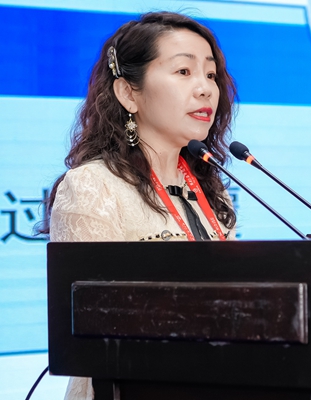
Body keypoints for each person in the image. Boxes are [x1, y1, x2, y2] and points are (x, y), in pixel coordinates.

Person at [41, 11, 238, 399]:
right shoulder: (93, 187)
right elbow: (96, 323)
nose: (205, 89)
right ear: (129, 93)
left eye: (211, 74)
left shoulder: (210, 190)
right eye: (184, 71)